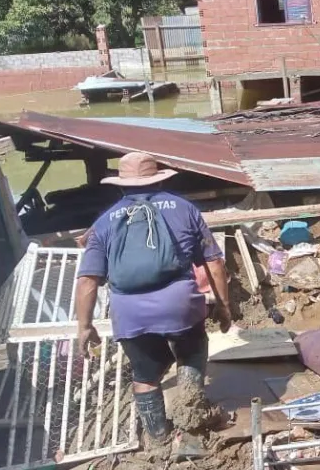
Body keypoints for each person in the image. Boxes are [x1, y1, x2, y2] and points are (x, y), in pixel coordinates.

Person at [75, 151, 231, 445]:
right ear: (159, 180)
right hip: (180, 305)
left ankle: (158, 436)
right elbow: (214, 263)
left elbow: (87, 282)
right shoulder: (185, 209)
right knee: (192, 349)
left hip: (130, 313)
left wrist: (84, 326)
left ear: (120, 185)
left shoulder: (104, 222)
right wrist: (223, 305)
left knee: (145, 375)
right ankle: (190, 402)